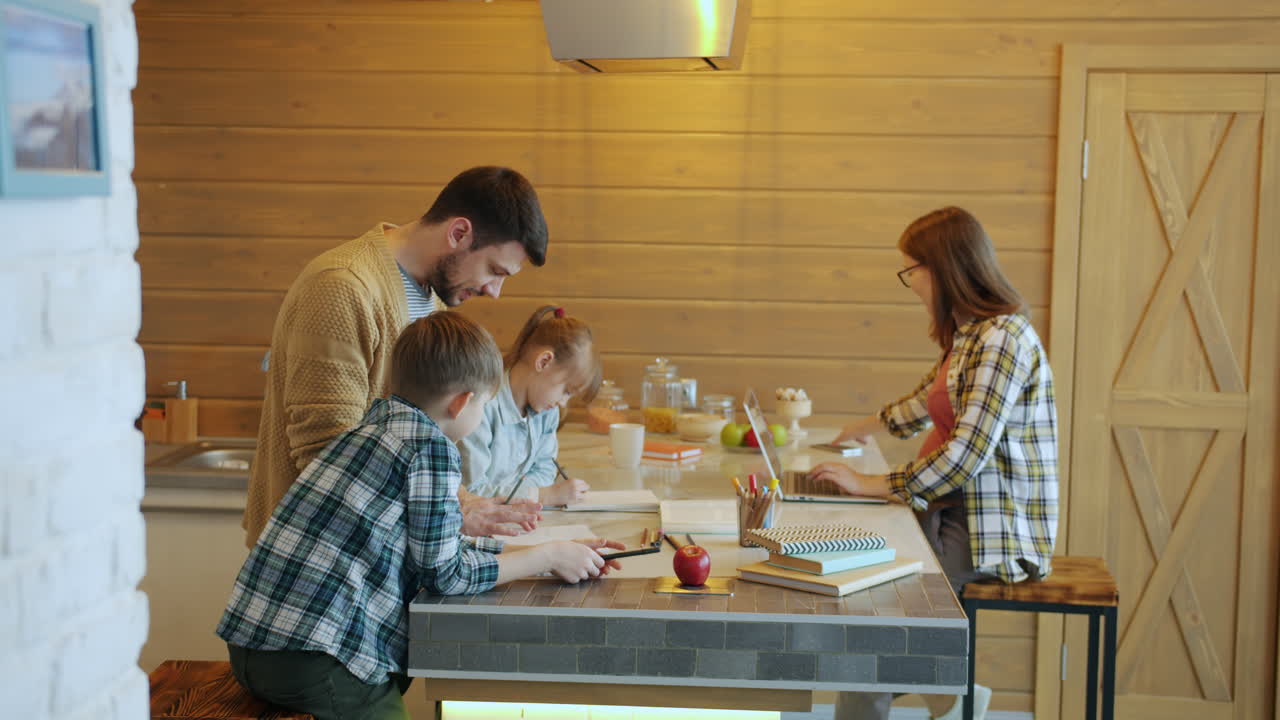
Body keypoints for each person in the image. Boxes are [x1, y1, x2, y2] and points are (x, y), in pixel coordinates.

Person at [217, 312, 624, 720]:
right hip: (311, 656)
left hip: (255, 643)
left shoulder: (377, 425)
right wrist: (545, 557)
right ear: (463, 402)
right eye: (485, 401)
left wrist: (545, 549)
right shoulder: (431, 449)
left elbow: (439, 539)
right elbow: (446, 574)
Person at [808, 207, 1058, 720]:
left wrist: (873, 483)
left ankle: (952, 693)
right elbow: (928, 400)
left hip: (987, 527)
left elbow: (966, 456)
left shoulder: (1003, 340)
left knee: (874, 612)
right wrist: (865, 428)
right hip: (950, 510)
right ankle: (951, 695)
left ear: (943, 268)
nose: (910, 284)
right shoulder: (968, 337)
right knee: (870, 609)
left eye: (911, 271)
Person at [243, 166, 548, 547]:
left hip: (369, 549)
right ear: (458, 233)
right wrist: (455, 513)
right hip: (317, 559)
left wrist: (465, 502)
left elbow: (418, 439)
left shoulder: (430, 298)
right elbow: (330, 455)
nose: (495, 290)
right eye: (494, 270)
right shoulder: (343, 287)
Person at [461, 305, 600, 506]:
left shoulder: (547, 410)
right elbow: (470, 491)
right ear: (544, 362)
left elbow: (544, 469)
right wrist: (542, 496)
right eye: (566, 390)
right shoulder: (481, 407)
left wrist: (529, 493)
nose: (563, 402)